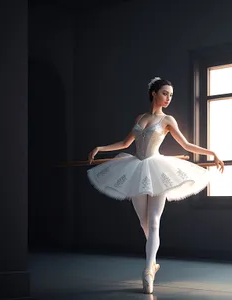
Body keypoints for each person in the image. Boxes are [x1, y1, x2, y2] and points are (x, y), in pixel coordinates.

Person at [87, 77, 224, 294]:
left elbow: (186, 145)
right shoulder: (140, 118)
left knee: (154, 221)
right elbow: (125, 144)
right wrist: (100, 148)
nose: (168, 98)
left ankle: (148, 270)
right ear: (154, 93)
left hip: (157, 169)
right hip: (135, 169)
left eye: (171, 95)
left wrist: (212, 153)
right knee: (143, 222)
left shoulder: (168, 119)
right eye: (165, 93)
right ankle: (153, 263)